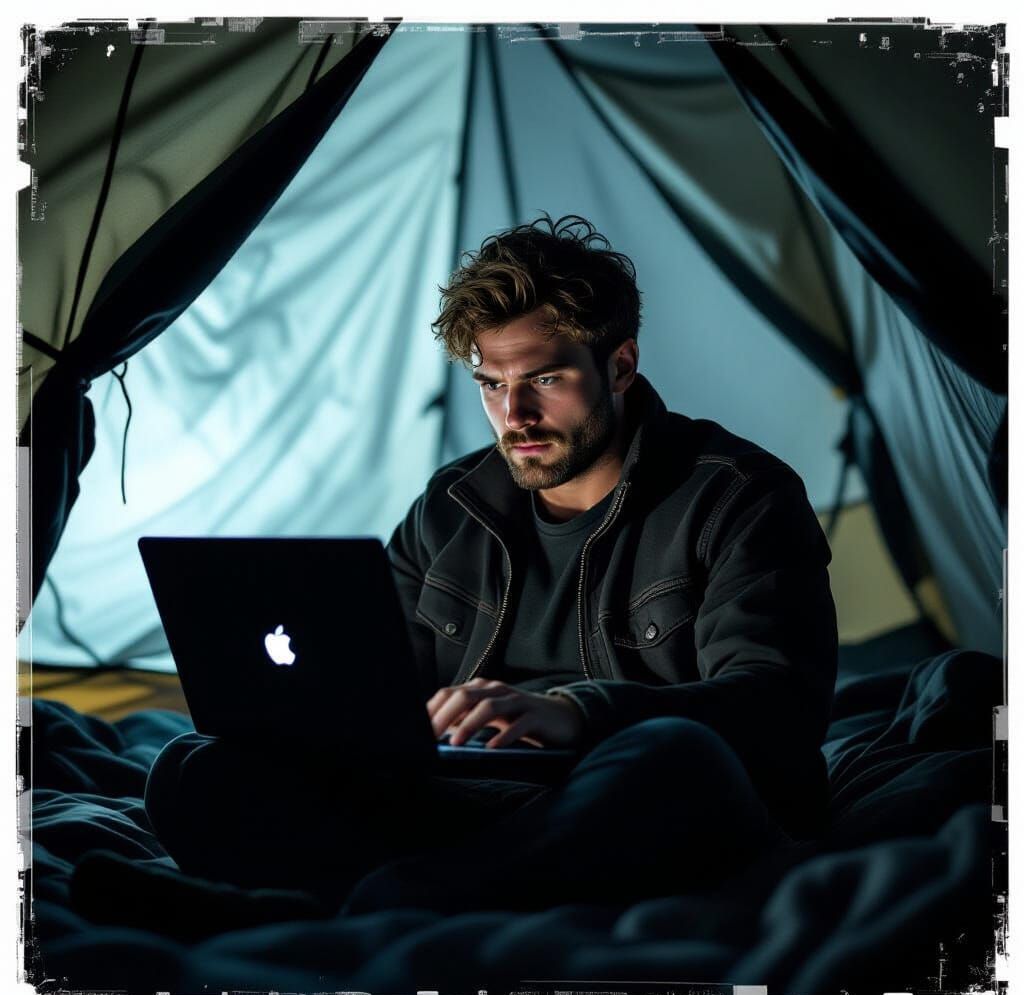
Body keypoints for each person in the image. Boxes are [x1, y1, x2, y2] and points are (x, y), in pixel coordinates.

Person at [141, 214, 837, 918]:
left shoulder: (737, 496)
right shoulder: (451, 507)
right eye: (491, 385)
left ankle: (374, 898)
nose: (515, 414)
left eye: (545, 379)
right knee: (193, 764)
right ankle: (425, 884)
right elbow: (377, 691)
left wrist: (576, 713)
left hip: (619, 788)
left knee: (678, 757)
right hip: (477, 798)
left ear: (620, 366)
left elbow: (778, 709)